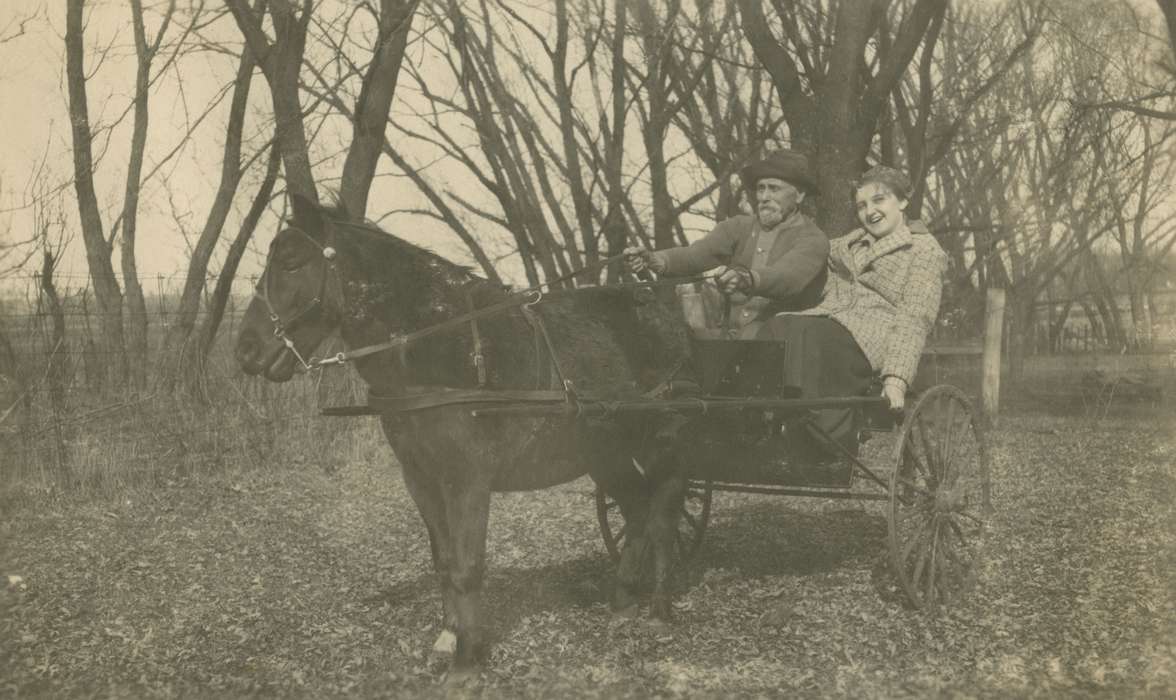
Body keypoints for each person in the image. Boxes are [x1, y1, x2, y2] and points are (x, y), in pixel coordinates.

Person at [761, 164, 947, 456]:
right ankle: (775, 425)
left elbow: (914, 317)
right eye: (861, 206)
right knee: (779, 327)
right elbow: (809, 253)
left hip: (876, 334)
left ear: (902, 201)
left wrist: (896, 379)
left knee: (814, 336)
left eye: (879, 200)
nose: (869, 211)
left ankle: (826, 437)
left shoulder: (923, 251)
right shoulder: (850, 242)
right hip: (832, 319)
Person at [624, 149, 829, 339]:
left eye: (774, 189)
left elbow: (788, 277)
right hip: (729, 337)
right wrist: (656, 259)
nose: (764, 197)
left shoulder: (813, 239)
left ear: (800, 195)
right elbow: (697, 254)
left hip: (782, 345)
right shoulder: (738, 227)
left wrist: (747, 278)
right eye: (760, 189)